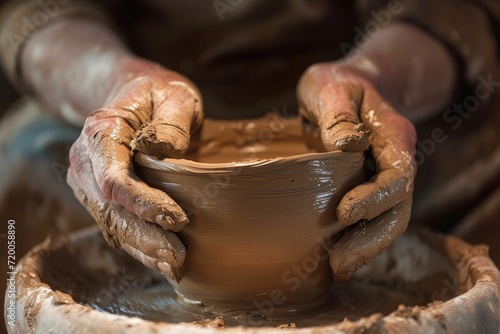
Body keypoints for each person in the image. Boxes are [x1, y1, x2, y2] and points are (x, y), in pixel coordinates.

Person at [0, 0, 498, 285]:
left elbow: (453, 10)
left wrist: (377, 76)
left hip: (359, 98)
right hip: (142, 97)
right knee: (15, 182)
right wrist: (112, 83)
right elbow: (42, 12)